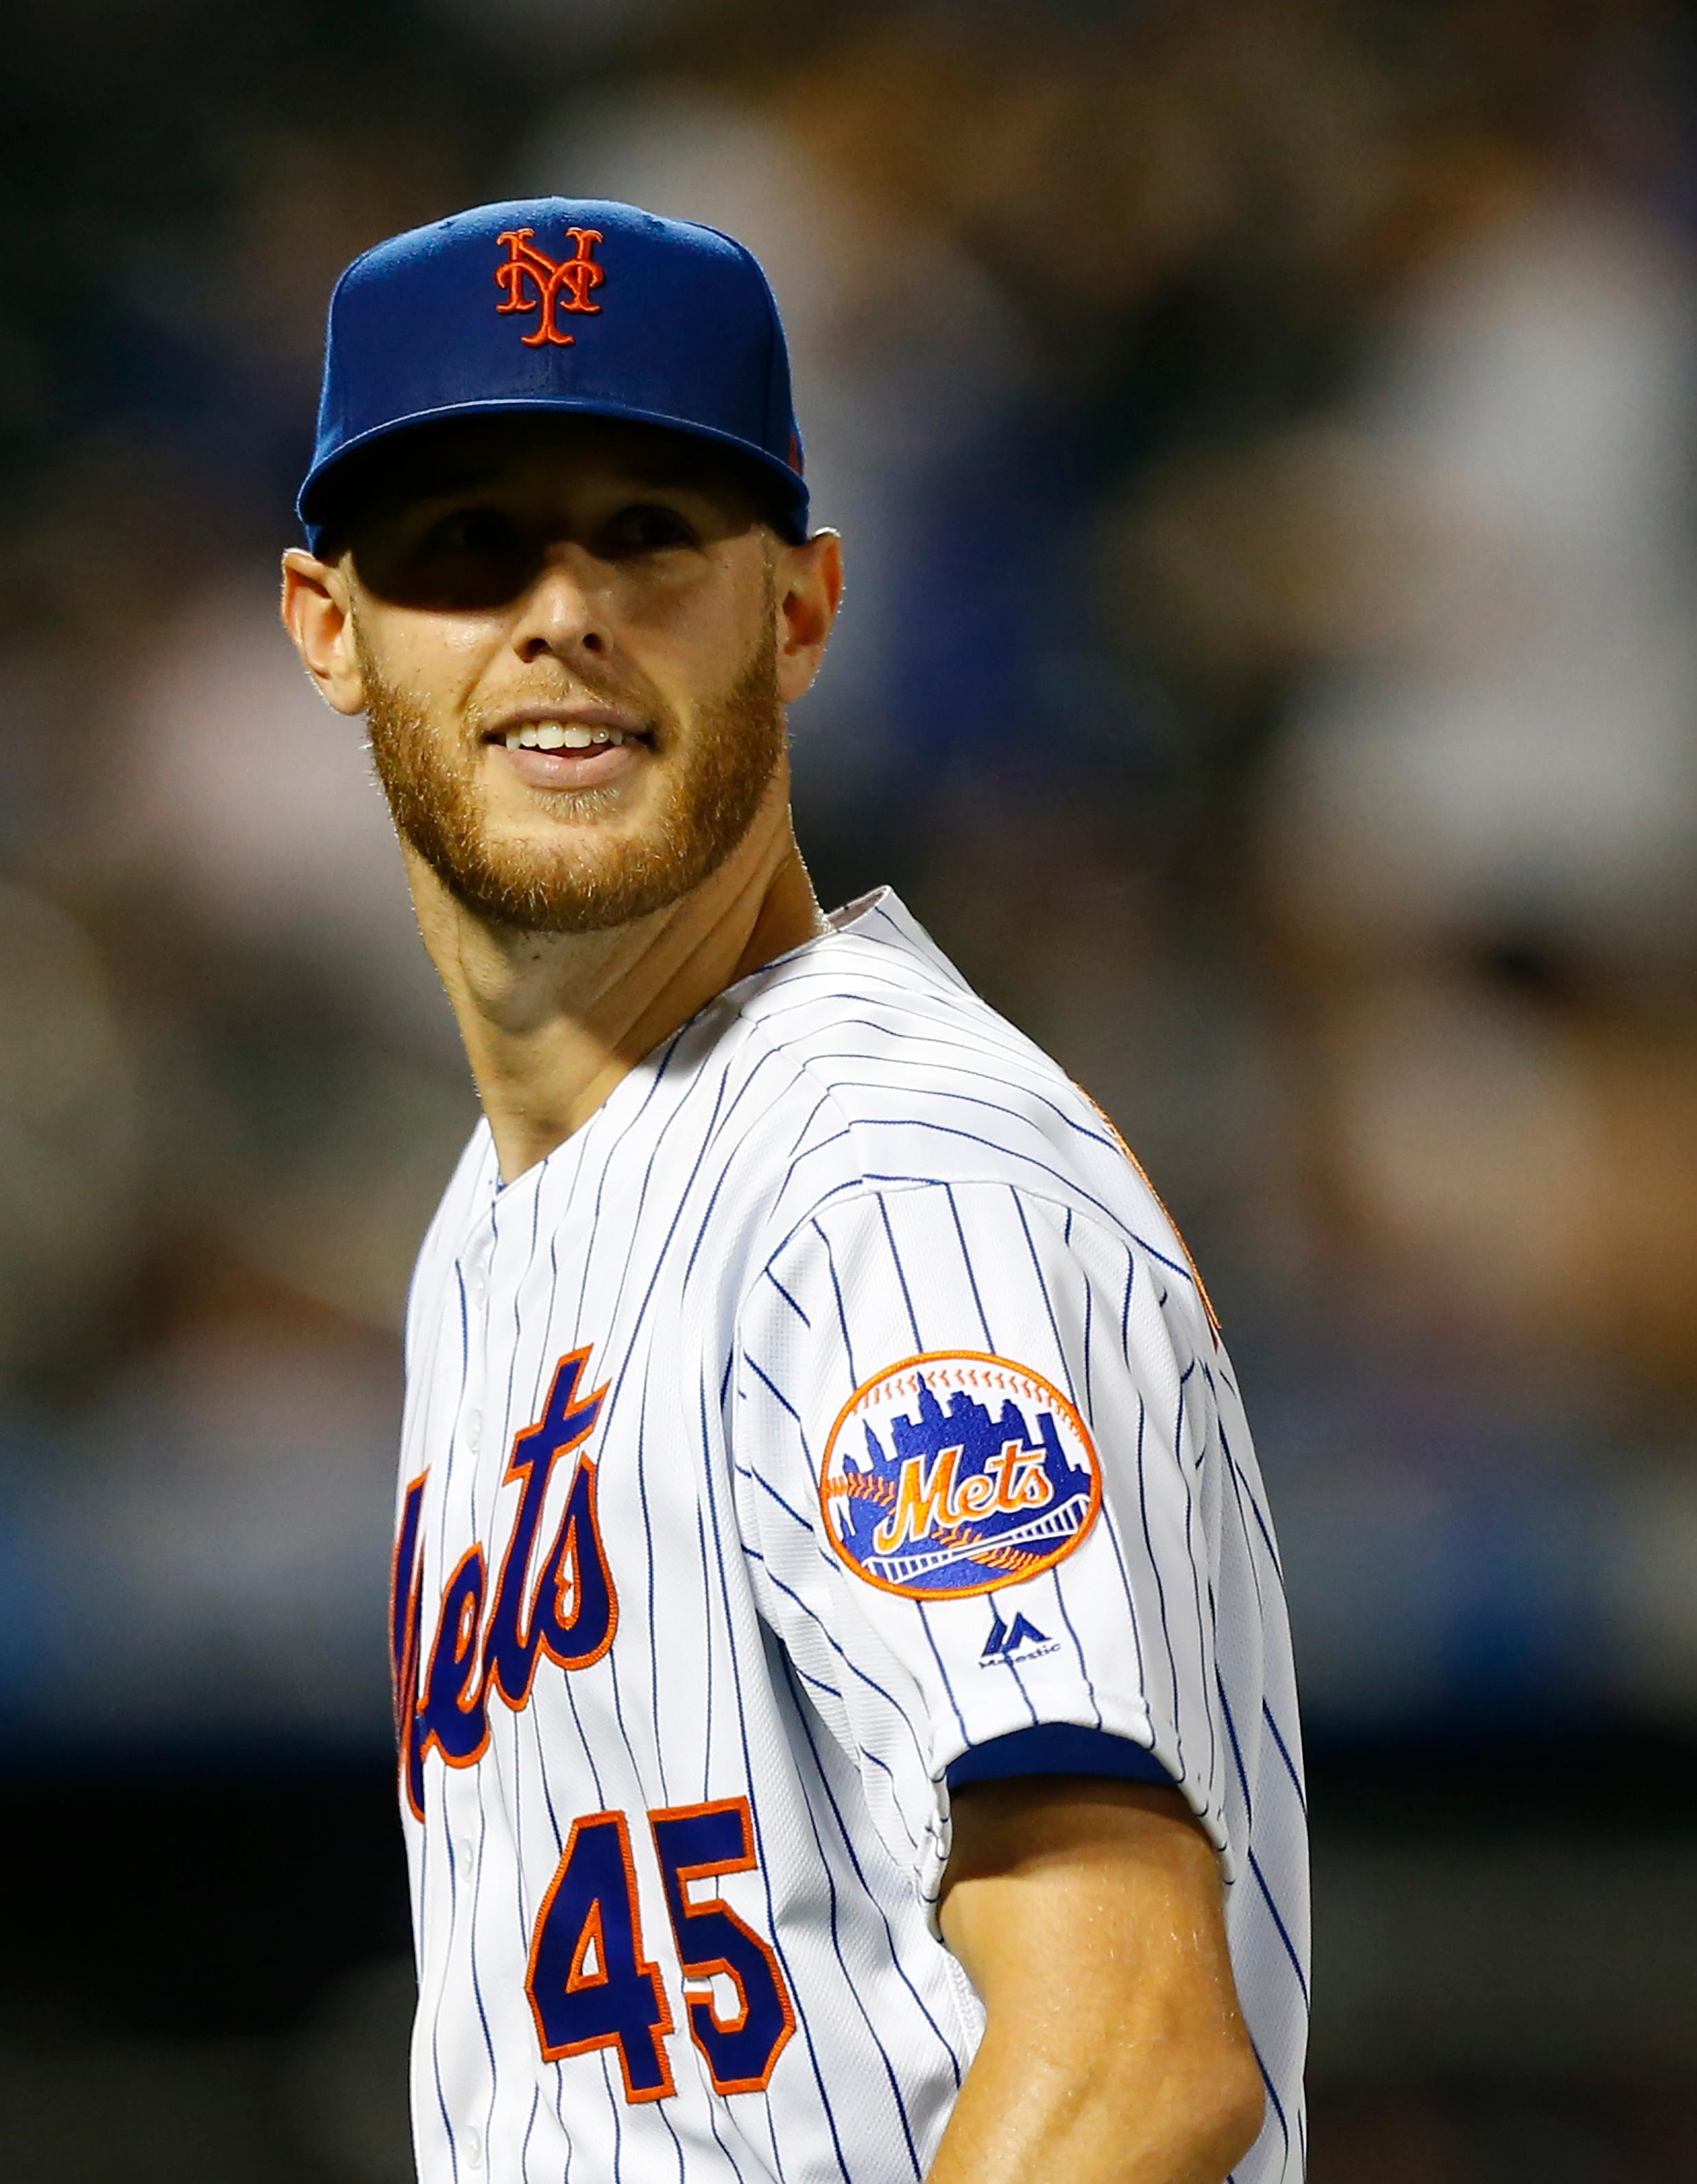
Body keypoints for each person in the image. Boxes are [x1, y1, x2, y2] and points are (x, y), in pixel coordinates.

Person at [281, 197, 1307, 2184]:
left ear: (802, 610)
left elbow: (1130, 2053)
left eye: (647, 535)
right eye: (465, 544)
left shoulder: (894, 1181)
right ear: (330, 627)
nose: (560, 609)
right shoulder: (488, 1227)